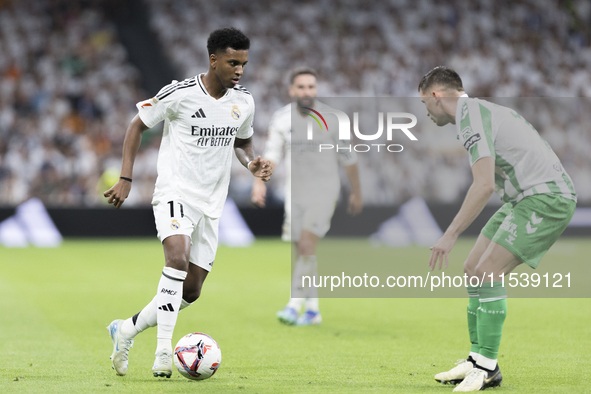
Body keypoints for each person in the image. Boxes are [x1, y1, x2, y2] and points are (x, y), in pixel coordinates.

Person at [103, 27, 271, 378]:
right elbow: (137, 126)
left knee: (191, 289)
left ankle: (126, 330)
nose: (239, 70)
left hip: (212, 203)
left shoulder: (244, 102)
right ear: (213, 60)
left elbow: (243, 145)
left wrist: (252, 164)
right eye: (232, 62)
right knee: (176, 259)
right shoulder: (180, 94)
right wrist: (126, 178)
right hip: (175, 193)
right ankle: (164, 352)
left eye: (243, 63)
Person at [419, 66, 576, 392]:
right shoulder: (480, 111)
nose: (426, 112)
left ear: (436, 95)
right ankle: (477, 359)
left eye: (424, 103)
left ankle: (488, 368)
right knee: (473, 268)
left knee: (488, 270)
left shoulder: (470, 116)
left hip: (547, 198)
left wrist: (450, 234)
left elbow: (484, 185)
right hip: (522, 198)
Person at [251, 67, 363, 326]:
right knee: (300, 251)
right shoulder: (281, 119)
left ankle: (294, 305)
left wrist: (356, 191)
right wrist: (259, 183)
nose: (306, 92)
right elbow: (272, 155)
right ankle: (313, 311)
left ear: (316, 90)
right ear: (291, 90)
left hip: (324, 191)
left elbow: (349, 158)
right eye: (301, 87)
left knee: (306, 246)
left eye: (311, 87)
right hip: (295, 192)